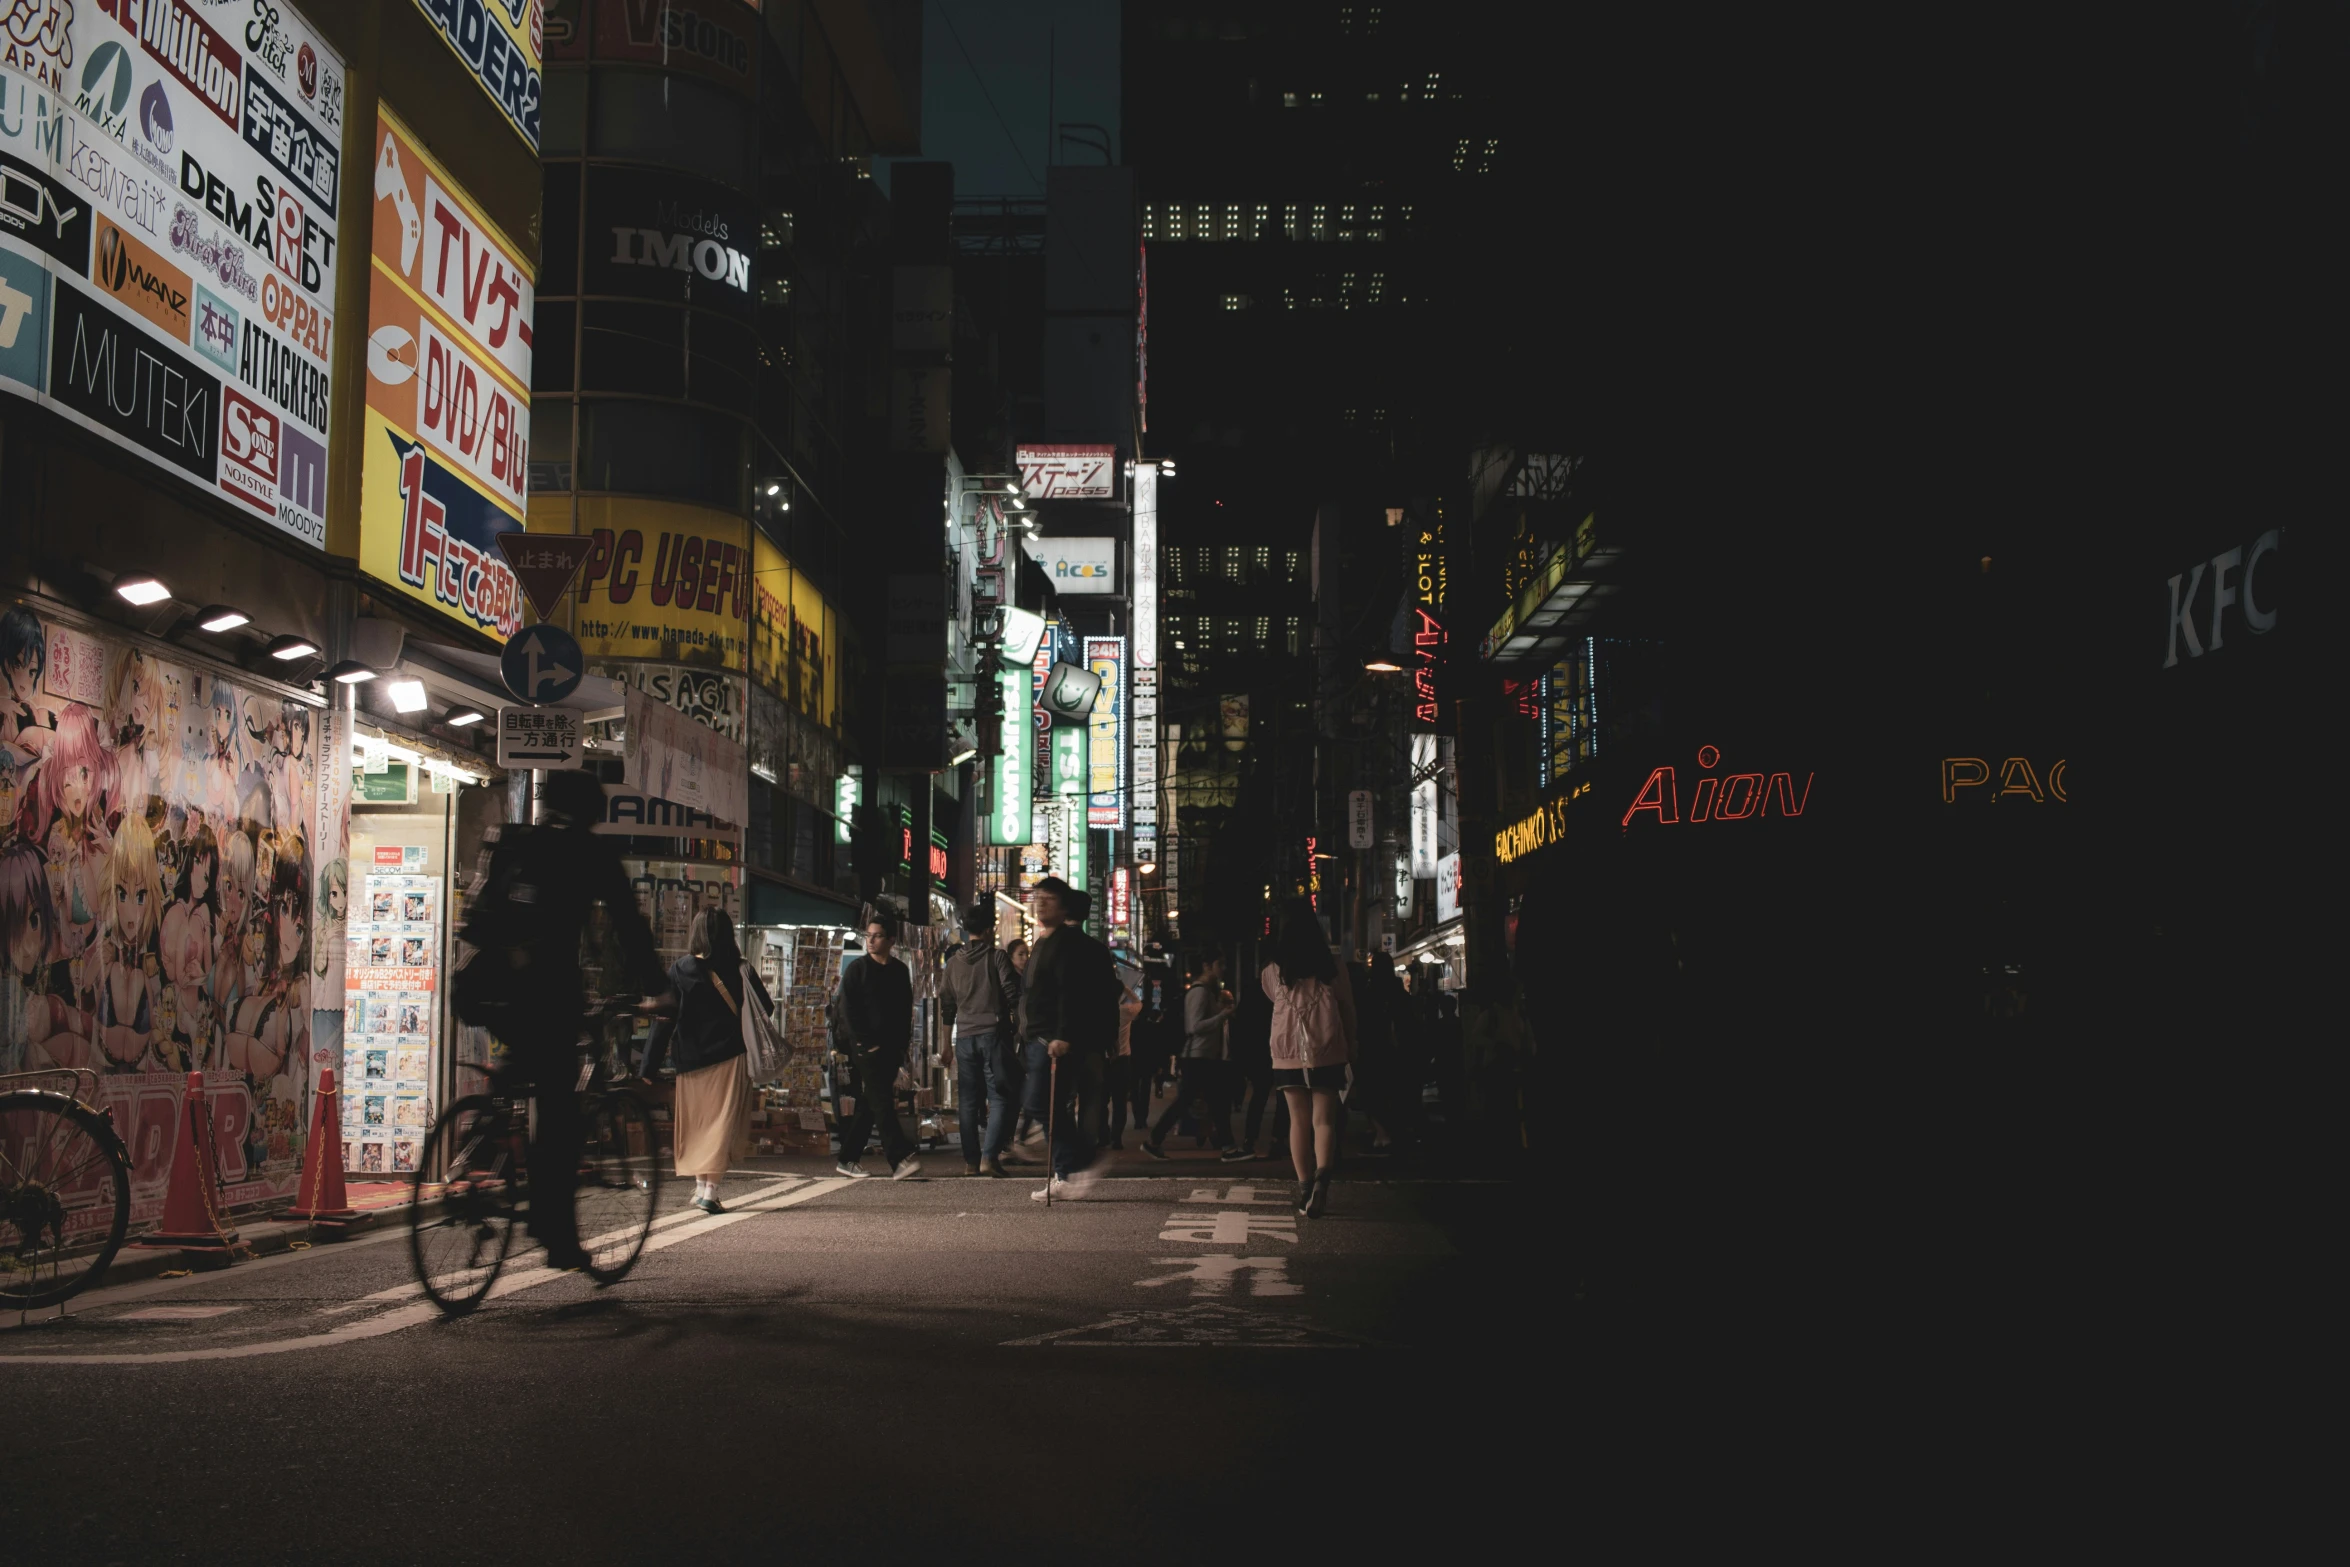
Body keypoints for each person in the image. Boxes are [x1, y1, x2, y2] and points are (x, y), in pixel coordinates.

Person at [456, 769, 663, 1269]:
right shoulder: (590, 853)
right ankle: (555, 1232)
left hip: (483, 986)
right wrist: (658, 988)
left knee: (520, 1058)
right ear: (593, 812)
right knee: (560, 1110)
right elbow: (629, 926)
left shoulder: (513, 839)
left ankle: (478, 1147)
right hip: (546, 993)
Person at [642, 909, 768, 1213]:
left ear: (695, 933)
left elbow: (664, 1020)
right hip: (730, 1057)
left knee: (697, 1126)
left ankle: (700, 1188)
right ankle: (710, 1192)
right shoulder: (742, 970)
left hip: (690, 1061)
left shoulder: (680, 970)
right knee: (722, 1125)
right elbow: (766, 1008)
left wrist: (648, 1066)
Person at [1019, 877, 1118, 1200]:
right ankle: (1068, 1170)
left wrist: (1062, 1035)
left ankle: (1080, 1163)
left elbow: (1069, 993)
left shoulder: (1066, 944)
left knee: (1043, 1103)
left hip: (1055, 1040)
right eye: (1038, 897)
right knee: (1049, 1104)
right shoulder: (1044, 941)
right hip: (1041, 1038)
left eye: (1048, 898)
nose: (1041, 903)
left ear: (1063, 907)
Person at [1264, 899, 1357, 1218]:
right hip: (1327, 1049)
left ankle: (1304, 1190)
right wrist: (1352, 1045)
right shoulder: (1332, 966)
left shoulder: (1274, 970)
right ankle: (1322, 1180)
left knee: (1298, 1121)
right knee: (1324, 1120)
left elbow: (1272, 998)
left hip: (1287, 1053)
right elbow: (1347, 1008)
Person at [834, 914, 923, 1180]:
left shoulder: (899, 970)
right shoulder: (857, 970)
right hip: (864, 1048)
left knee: (871, 1102)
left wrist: (901, 1048)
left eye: (877, 936)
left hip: (891, 1049)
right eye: (868, 935)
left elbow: (904, 1011)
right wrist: (864, 1043)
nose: (870, 941)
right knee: (882, 1101)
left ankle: (847, 1158)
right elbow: (847, 1011)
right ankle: (898, 1159)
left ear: (891, 940)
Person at [940, 901, 1022, 1176]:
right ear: (989, 930)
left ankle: (970, 1163)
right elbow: (1012, 994)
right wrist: (1019, 1025)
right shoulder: (996, 957)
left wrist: (945, 1045)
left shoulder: (952, 964)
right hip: (993, 1036)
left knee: (968, 1101)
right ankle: (989, 1157)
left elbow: (947, 1007)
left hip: (963, 1038)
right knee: (999, 1098)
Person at [1142, 952, 1235, 1159]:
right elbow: (1194, 1026)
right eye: (1220, 963)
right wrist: (1222, 1015)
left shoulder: (1207, 992)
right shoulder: (1200, 992)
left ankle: (1228, 1146)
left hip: (1202, 1055)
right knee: (1197, 1102)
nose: (1223, 969)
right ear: (1207, 965)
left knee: (1207, 1101)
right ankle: (1228, 1148)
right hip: (1196, 1055)